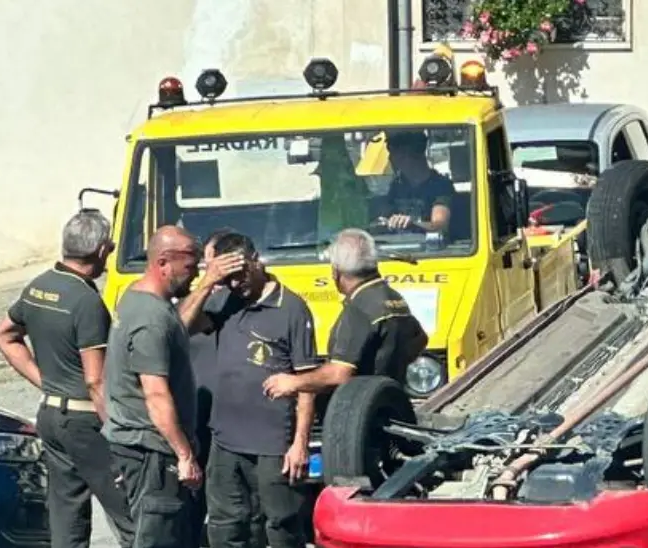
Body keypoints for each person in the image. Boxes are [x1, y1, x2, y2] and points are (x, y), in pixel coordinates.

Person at [0, 210, 135, 548]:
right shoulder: (86, 302)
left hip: (52, 417)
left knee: (67, 518)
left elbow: (3, 335)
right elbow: (96, 381)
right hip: (86, 423)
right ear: (102, 251)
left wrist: (46, 383)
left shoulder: (39, 286)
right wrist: (118, 436)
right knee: (130, 512)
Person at [101, 225, 244, 548]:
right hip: (152, 451)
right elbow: (155, 394)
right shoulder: (151, 319)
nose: (195, 274)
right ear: (163, 262)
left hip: (138, 445)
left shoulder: (137, 299)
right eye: (191, 266)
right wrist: (185, 454)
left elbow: (177, 327)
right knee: (160, 537)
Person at [179, 232, 318, 548]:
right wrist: (207, 282)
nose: (235, 285)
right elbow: (180, 327)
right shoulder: (224, 301)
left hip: (273, 445)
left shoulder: (292, 308)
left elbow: (308, 383)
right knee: (226, 526)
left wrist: (300, 443)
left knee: (281, 526)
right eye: (227, 279)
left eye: (240, 275)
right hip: (225, 443)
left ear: (257, 261)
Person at [262, 228, 428, 398]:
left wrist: (293, 382)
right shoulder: (393, 297)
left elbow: (339, 374)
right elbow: (420, 339)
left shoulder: (360, 309)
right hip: (389, 400)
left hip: (360, 411)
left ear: (336, 271)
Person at [381, 130, 456, 233]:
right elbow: (385, 216)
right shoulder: (397, 185)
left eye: (395, 153)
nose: (390, 158)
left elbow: (440, 226)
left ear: (411, 153)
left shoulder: (441, 186)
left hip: (431, 247)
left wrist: (412, 224)